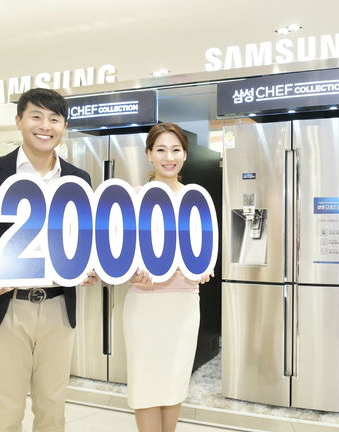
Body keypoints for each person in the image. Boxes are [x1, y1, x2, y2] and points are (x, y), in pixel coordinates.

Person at [0, 88, 96, 432]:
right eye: (36, 116)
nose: (45, 126)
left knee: (52, 410)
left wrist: (88, 266)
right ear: (18, 121)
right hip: (5, 307)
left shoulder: (78, 179)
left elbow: (81, 241)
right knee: (5, 413)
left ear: (64, 126)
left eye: (54, 119)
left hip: (58, 307)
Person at [123, 122, 212, 432]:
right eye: (160, 149)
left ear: (185, 155)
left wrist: (205, 269)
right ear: (149, 154)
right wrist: (132, 275)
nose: (169, 157)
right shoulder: (134, 198)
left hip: (184, 304)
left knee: (174, 381)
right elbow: (119, 254)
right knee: (146, 383)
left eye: (175, 150)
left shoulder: (195, 200)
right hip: (144, 306)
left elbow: (204, 250)